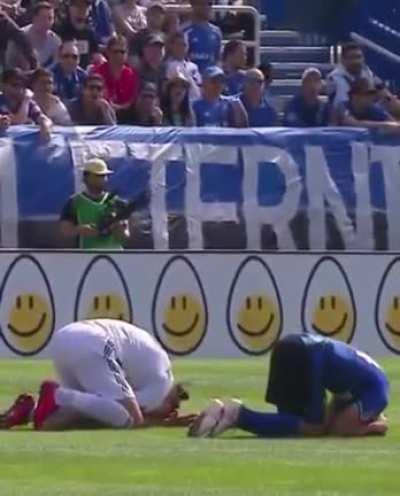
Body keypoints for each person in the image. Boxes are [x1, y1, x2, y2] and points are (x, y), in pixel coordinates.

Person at [0, 318, 195, 430]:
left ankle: (29, 411)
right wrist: (164, 424)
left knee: (71, 415)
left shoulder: (156, 364)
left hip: (66, 338)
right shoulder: (162, 383)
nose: (169, 413)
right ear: (171, 400)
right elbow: (137, 417)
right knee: (128, 419)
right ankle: (57, 394)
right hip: (95, 344)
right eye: (170, 410)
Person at [189, 333, 389, 438]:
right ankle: (237, 415)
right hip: (310, 356)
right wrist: (375, 428)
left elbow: (333, 416)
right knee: (313, 428)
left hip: (290, 344)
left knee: (291, 423)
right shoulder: (379, 394)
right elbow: (339, 429)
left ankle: (222, 413)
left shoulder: (365, 379)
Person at [60, 158, 128, 249]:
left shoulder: (117, 202)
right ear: (86, 177)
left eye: (104, 176)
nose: (103, 179)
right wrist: (80, 230)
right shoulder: (75, 202)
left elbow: (126, 235)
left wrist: (119, 228)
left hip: (115, 257)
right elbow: (65, 231)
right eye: (98, 176)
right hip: (88, 257)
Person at [0, 68, 52, 141]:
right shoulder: (25, 101)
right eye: (15, 85)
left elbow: (44, 119)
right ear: (2, 85)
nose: (19, 89)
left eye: (22, 86)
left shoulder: (29, 103)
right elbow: (18, 121)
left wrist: (45, 127)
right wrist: (25, 101)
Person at [5, 1, 61, 70]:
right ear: (34, 18)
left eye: (50, 18)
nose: (46, 22)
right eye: (43, 18)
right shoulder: (19, 36)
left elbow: (56, 65)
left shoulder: (55, 41)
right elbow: (9, 63)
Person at [92, 35, 140, 113]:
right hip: (102, 112)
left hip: (126, 114)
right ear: (108, 52)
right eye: (115, 51)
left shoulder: (131, 75)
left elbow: (131, 101)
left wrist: (119, 108)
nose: (119, 55)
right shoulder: (98, 72)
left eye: (122, 52)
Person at [326, 42, 380, 109]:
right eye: (352, 58)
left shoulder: (367, 72)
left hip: (367, 112)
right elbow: (341, 106)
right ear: (343, 60)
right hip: (344, 115)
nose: (356, 61)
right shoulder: (335, 77)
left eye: (359, 57)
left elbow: (383, 95)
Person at [336, 79, 400, 132]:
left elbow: (394, 124)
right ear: (354, 96)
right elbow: (352, 123)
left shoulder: (372, 108)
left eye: (372, 93)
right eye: (367, 94)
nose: (371, 97)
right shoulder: (343, 106)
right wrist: (384, 125)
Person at [55, 0, 101, 69]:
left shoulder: (90, 32)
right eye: (77, 6)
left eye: (85, 7)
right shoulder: (60, 31)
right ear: (69, 8)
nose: (81, 10)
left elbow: (95, 54)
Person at [183, 0, 222, 73]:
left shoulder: (216, 32)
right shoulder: (185, 31)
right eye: (204, 3)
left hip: (211, 80)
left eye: (210, 3)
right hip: (192, 78)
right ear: (194, 5)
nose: (208, 7)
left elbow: (218, 60)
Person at [164, 31, 201, 101]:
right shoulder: (166, 66)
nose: (181, 48)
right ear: (171, 46)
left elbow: (200, 86)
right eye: (178, 44)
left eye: (184, 45)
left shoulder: (193, 66)